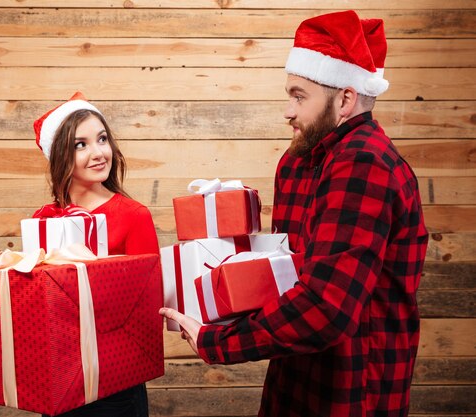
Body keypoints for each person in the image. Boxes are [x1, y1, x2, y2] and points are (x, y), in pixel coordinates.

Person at [160, 10, 428, 417]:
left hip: (352, 389)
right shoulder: (298, 161)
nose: (287, 110)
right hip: (294, 376)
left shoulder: (365, 163)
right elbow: (286, 276)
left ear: (345, 99)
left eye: (299, 96)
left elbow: (326, 307)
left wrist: (220, 341)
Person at [34, 91, 159, 417]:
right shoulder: (43, 220)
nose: (98, 152)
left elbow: (148, 307)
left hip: (115, 380)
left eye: (102, 139)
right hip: (59, 375)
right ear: (60, 155)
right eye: (81, 145)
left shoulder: (134, 215)